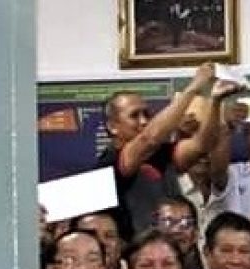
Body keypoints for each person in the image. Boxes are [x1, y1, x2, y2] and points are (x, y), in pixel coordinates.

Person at [97, 63, 237, 239]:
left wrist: (215, 101)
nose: (143, 121)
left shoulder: (159, 153)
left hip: (171, 247)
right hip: (137, 250)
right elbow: (149, 139)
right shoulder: (112, 159)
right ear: (112, 126)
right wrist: (193, 88)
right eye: (134, 116)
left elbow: (202, 144)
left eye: (146, 114)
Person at [152, 196, 209, 269]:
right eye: (167, 223)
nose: (176, 230)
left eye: (185, 223)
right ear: (155, 230)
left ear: (196, 233)